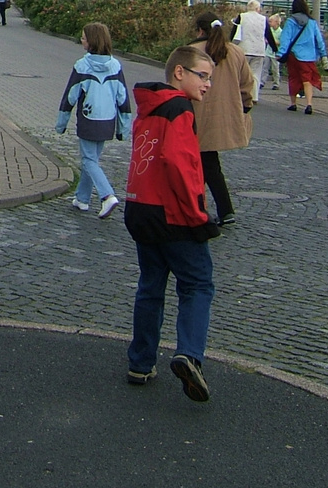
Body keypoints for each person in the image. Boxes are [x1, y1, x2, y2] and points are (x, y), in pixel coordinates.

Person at [125, 45, 220, 402]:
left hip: (141, 208)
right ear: (180, 73)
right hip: (173, 214)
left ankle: (141, 360)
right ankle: (189, 354)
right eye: (203, 76)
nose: (207, 84)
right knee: (197, 284)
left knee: (151, 285)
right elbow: (182, 166)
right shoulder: (180, 109)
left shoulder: (149, 107)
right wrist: (199, 216)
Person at [56, 22, 132, 218]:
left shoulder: (82, 65)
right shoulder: (115, 65)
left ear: (90, 42)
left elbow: (70, 96)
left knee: (89, 160)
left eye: (83, 37)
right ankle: (82, 198)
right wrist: (124, 128)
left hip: (88, 119)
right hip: (108, 119)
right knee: (92, 159)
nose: (81, 40)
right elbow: (123, 98)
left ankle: (107, 196)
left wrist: (61, 124)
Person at [188, 10, 254, 224]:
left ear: (199, 30)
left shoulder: (190, 52)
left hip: (193, 116)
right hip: (223, 117)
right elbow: (247, 85)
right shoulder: (235, 52)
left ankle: (197, 208)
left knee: (193, 164)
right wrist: (244, 108)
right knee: (210, 163)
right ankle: (224, 209)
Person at [276, 0, 327, 114]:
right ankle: (309, 104)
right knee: (307, 79)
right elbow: (319, 40)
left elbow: (285, 39)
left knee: (293, 78)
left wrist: (281, 53)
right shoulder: (312, 22)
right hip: (309, 56)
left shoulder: (290, 21)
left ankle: (293, 103)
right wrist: (323, 54)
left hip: (294, 54)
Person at [235, 0, 275, 98]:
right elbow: (268, 35)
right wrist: (275, 49)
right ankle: (254, 96)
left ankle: (241, 94)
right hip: (259, 50)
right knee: (256, 74)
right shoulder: (263, 19)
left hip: (243, 49)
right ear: (258, 9)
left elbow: (234, 32)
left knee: (242, 73)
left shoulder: (241, 17)